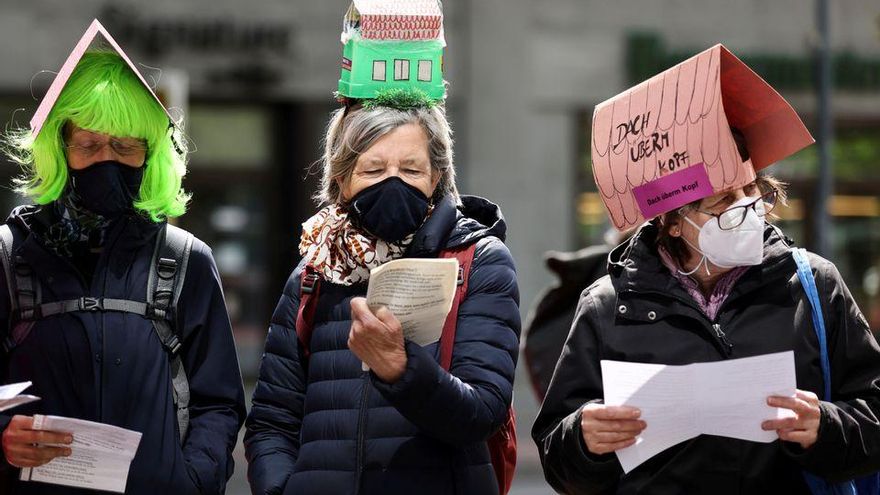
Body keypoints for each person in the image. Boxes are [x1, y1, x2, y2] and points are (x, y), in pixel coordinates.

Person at [532, 45, 880, 494]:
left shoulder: (814, 285)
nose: (746, 209)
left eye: (751, 191)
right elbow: (558, 459)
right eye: (723, 201)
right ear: (674, 223)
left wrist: (825, 427)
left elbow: (873, 415)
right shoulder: (608, 304)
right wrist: (583, 439)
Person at [0, 22, 245, 494]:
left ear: (149, 156)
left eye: (125, 146)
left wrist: (192, 481)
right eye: (88, 145)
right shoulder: (9, 258)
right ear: (60, 148)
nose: (106, 160)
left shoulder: (186, 261)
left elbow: (219, 402)